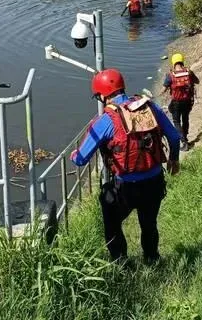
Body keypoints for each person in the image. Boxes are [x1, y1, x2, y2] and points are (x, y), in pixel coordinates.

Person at [71, 69, 180, 263]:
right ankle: (152, 259)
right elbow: (173, 136)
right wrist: (174, 159)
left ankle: (120, 263)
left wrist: (73, 155)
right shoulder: (149, 108)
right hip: (154, 182)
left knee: (112, 223)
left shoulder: (106, 120)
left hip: (125, 187)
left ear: (103, 95)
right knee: (149, 224)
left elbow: (80, 159)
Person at [162, 53, 199, 151]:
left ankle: (184, 142)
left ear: (173, 63)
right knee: (185, 119)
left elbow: (164, 89)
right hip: (187, 101)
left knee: (176, 121)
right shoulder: (188, 72)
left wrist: (155, 95)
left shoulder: (170, 75)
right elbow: (197, 81)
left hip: (176, 102)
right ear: (182, 61)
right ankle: (185, 137)